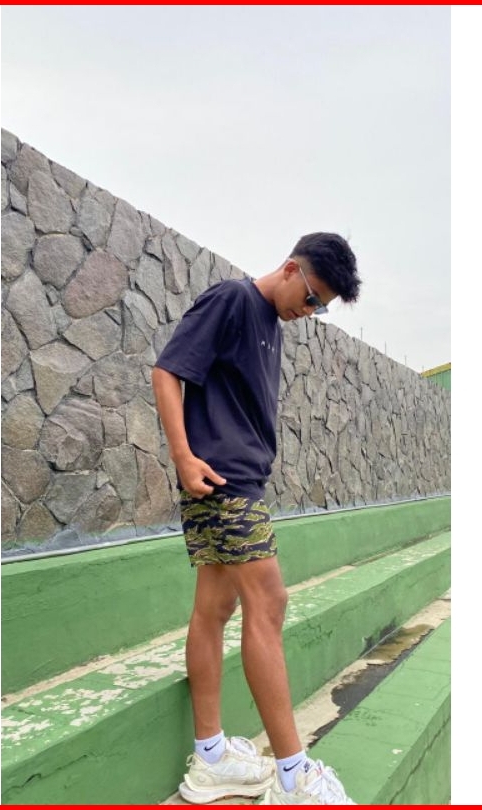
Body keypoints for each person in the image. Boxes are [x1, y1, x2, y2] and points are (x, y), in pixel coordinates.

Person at [151, 233, 361, 805]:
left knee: (214, 610)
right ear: (291, 268)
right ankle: (294, 776)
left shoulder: (270, 322)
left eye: (320, 308)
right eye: (312, 297)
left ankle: (211, 756)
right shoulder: (233, 299)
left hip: (235, 484)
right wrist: (182, 456)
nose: (310, 311)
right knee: (269, 602)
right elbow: (167, 371)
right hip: (225, 484)